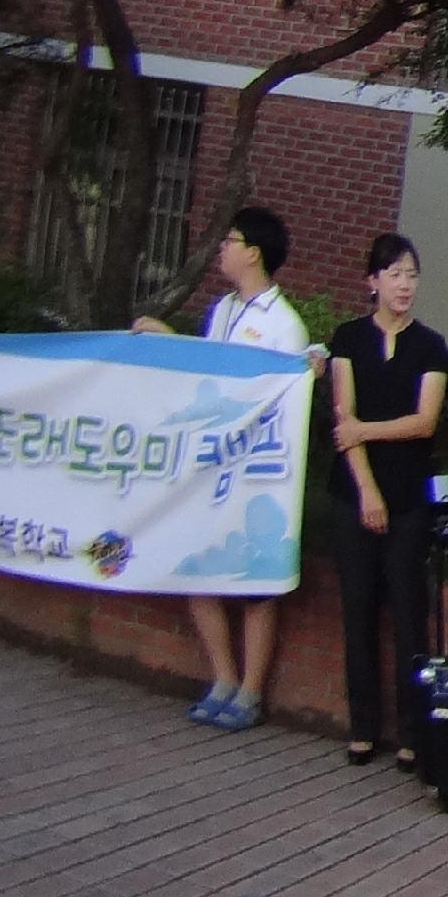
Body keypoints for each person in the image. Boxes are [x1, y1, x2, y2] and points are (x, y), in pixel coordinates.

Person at [141, 206, 319, 732]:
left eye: (231, 240)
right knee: (201, 571)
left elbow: (284, 396)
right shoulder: (222, 311)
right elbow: (210, 373)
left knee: (254, 581)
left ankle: (251, 690)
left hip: (258, 472)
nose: (222, 248)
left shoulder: (284, 323)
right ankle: (221, 676)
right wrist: (166, 339)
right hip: (213, 466)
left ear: (254, 252)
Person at [321, 231, 448, 766]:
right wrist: (367, 491)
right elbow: (341, 420)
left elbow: (424, 423)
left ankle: (413, 733)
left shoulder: (431, 346)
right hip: (355, 495)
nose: (404, 284)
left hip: (410, 497)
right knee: (357, 608)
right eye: (394, 274)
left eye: (412, 274)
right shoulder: (348, 340)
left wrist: (365, 432)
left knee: (408, 612)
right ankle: (363, 726)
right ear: (372, 281)